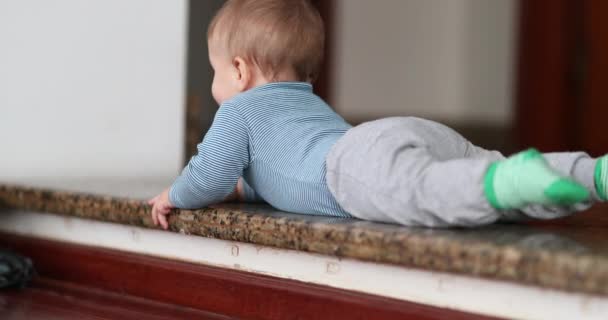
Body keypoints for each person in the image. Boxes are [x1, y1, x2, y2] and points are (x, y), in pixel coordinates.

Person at [149, 0, 607, 228]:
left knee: (427, 194)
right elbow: (275, 167)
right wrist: (242, 190)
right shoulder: (303, 104)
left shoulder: (239, 110)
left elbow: (208, 172)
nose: (215, 86)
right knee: (483, 169)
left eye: (215, 71)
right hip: (400, 133)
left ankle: (505, 183)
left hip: (351, 167)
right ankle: (593, 175)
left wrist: (176, 194)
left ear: (239, 69)